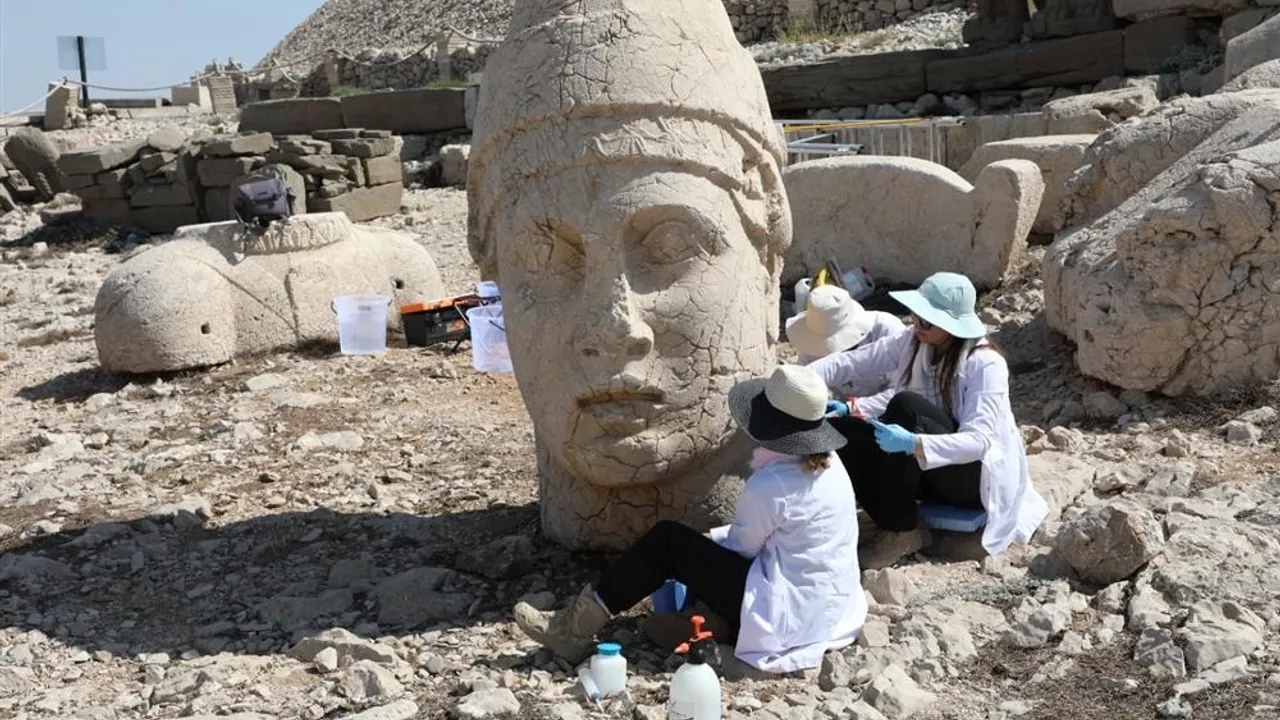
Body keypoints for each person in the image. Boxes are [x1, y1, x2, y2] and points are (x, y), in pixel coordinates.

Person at [512, 364, 867, 673]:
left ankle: (575, 627)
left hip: (785, 616)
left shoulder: (772, 484)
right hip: (830, 608)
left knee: (667, 541)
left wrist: (708, 541)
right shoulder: (831, 465)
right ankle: (707, 621)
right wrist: (715, 539)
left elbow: (742, 548)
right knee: (700, 546)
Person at [810, 271, 1048, 570]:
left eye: (927, 320)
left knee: (905, 407)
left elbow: (979, 441)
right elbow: (854, 362)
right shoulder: (914, 343)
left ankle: (900, 532)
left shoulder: (985, 364)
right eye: (916, 316)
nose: (917, 325)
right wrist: (808, 385)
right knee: (842, 429)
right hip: (930, 470)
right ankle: (879, 519)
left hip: (970, 480)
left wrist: (913, 443)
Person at [786, 284, 906, 397]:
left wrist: (856, 407)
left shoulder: (887, 331)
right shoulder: (810, 343)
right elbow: (803, 381)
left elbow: (901, 391)